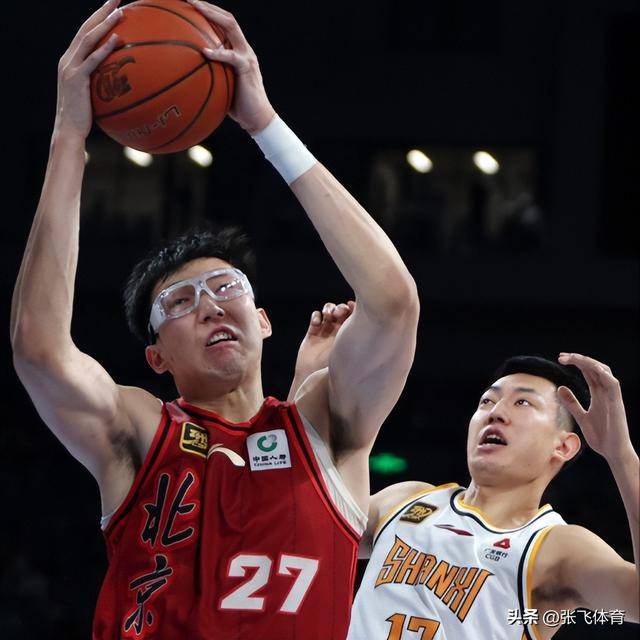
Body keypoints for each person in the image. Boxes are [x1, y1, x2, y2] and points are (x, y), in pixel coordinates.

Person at [10, 1, 419, 638]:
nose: (209, 305)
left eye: (227, 288)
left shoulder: (325, 427)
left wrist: (264, 124)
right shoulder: (141, 431)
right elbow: (39, 349)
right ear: (156, 357)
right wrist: (69, 136)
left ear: (263, 321)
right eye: (179, 302)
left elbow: (393, 301)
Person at [291, 308, 639, 639]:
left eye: (523, 402)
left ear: (563, 446)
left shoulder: (555, 547)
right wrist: (308, 379)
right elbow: (292, 526)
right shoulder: (404, 499)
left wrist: (621, 454)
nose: (495, 412)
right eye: (487, 401)